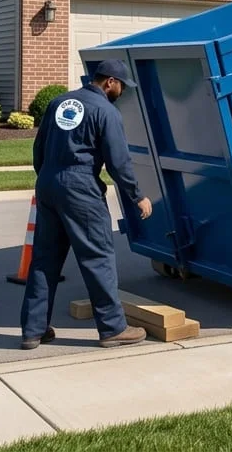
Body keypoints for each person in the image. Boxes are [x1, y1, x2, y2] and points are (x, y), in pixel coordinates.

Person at [20, 58, 153, 349]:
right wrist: (137, 195)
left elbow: (38, 148)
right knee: (97, 258)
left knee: (44, 260)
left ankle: (33, 330)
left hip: (48, 183)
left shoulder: (58, 103)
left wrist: (49, 179)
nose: (122, 92)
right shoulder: (105, 111)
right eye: (122, 86)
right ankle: (113, 328)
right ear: (110, 82)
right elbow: (118, 161)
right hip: (80, 188)